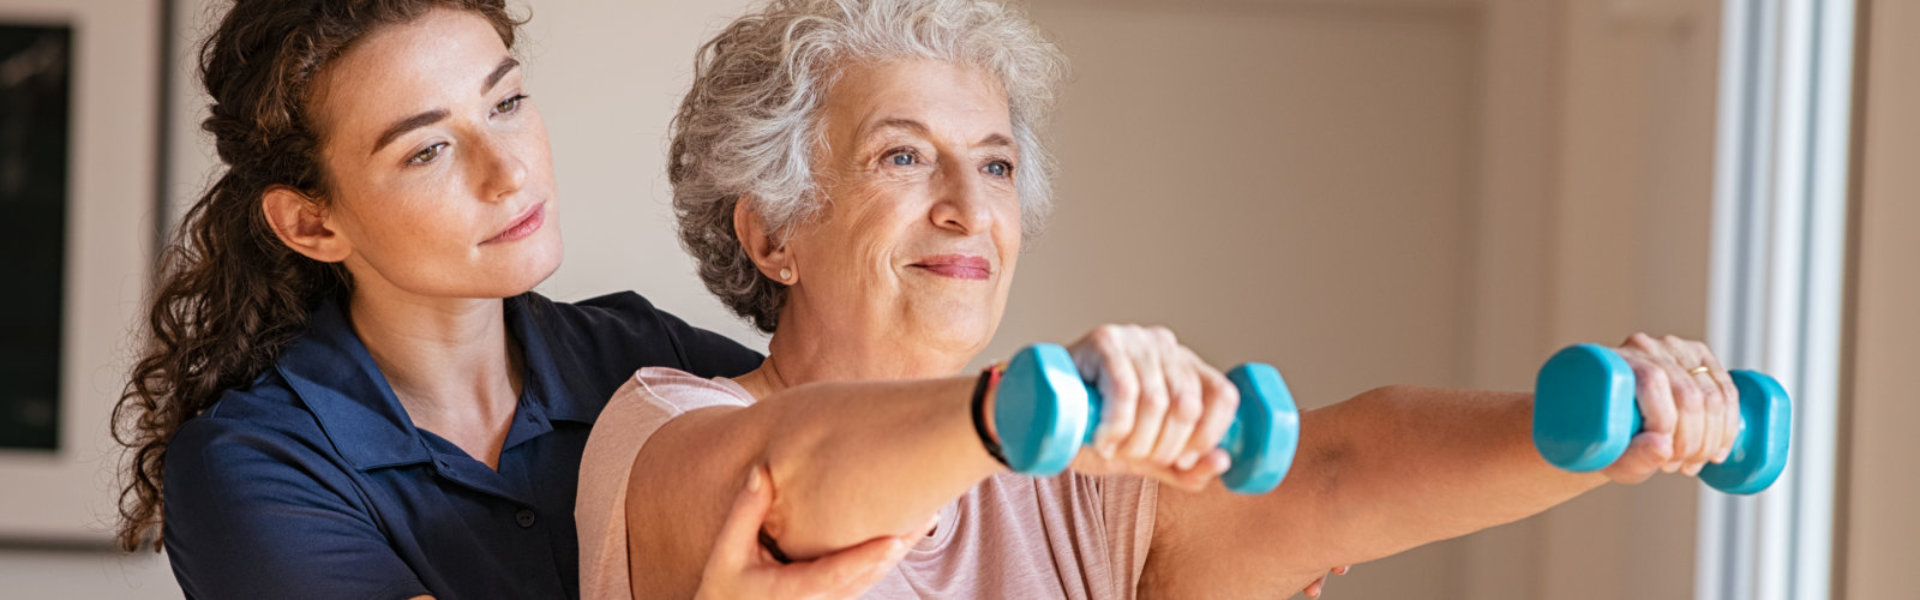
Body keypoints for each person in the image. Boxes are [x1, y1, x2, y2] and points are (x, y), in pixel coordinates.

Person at [575, 0, 1747, 598]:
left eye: (993, 165)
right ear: (771, 230)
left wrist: (1608, 431)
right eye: (901, 157)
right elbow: (791, 481)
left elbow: (1335, 473)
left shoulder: (1071, 489)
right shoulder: (666, 427)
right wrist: (1017, 415)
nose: (968, 208)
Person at [112, 1, 904, 597]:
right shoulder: (254, 464)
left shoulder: (648, 360)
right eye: (428, 150)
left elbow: (851, 456)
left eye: (507, 103)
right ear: (312, 223)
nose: (509, 171)